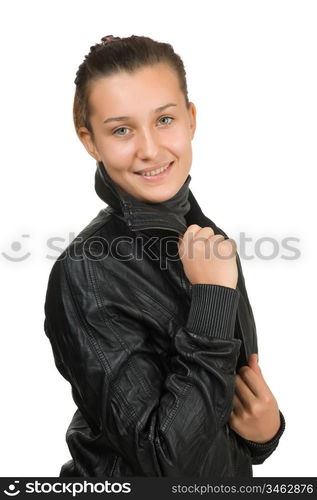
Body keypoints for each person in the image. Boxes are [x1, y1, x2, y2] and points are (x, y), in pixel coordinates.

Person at [43, 34, 285, 477]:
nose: (150, 149)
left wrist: (265, 433)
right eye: (121, 130)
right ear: (90, 141)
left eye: (165, 120)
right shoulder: (85, 271)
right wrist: (211, 298)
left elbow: (220, 414)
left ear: (191, 120)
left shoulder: (208, 243)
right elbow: (163, 461)